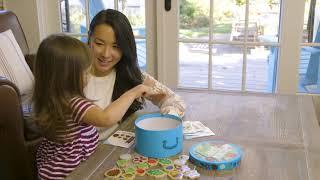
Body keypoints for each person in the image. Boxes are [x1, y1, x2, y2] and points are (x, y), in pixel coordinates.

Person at [33, 34, 159, 179]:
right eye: (86, 72)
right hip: (74, 172)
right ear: (68, 76)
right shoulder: (74, 103)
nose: (88, 76)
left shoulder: (49, 97)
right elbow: (106, 118)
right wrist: (134, 92)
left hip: (52, 166)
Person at [85, 9, 186, 140]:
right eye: (99, 44)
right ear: (89, 38)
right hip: (76, 156)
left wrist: (167, 119)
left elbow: (174, 101)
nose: (106, 54)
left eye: (116, 46)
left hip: (114, 151)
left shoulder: (131, 75)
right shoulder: (70, 73)